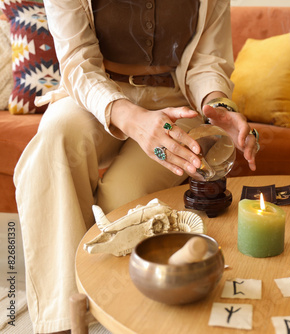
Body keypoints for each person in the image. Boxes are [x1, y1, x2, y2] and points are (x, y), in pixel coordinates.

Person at [13, 0, 258, 333]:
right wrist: (130, 117)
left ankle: (120, 313)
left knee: (124, 197)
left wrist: (216, 104)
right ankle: (65, 318)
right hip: (95, 93)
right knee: (56, 139)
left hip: (175, 103)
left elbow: (206, 60)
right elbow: (77, 60)